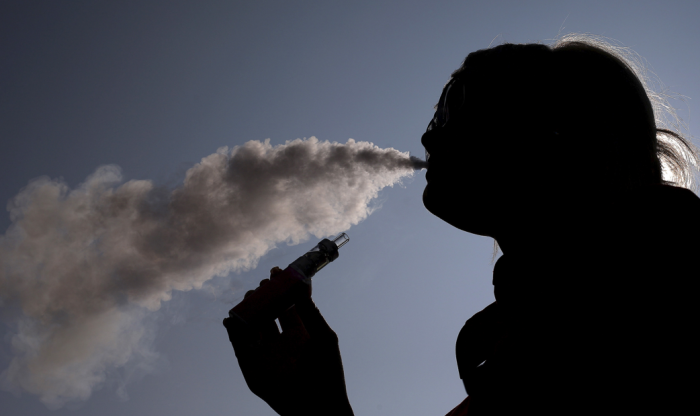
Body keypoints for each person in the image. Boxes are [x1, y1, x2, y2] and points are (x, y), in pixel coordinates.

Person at [223, 34, 700, 415]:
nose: (429, 137)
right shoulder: (522, 339)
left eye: (457, 111)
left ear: (553, 141)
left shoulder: (648, 307)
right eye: (438, 115)